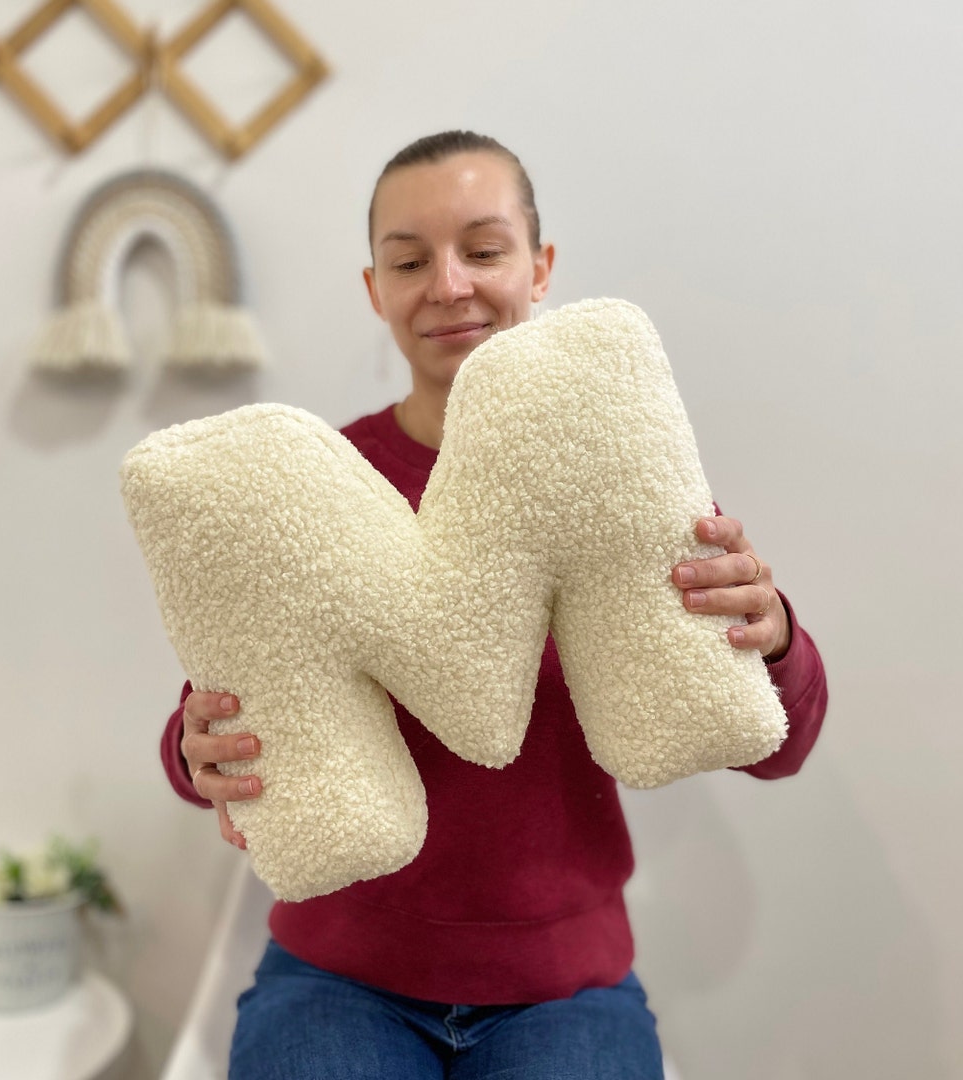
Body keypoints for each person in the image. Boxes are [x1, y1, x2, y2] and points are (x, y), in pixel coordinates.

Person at [158, 131, 828, 1079]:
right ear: (374, 289)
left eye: (482, 250)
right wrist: (195, 751)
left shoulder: (619, 468)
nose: (449, 284)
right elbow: (210, 724)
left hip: (563, 988)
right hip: (339, 976)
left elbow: (785, 743)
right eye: (408, 260)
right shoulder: (315, 482)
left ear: (540, 267)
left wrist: (775, 634)